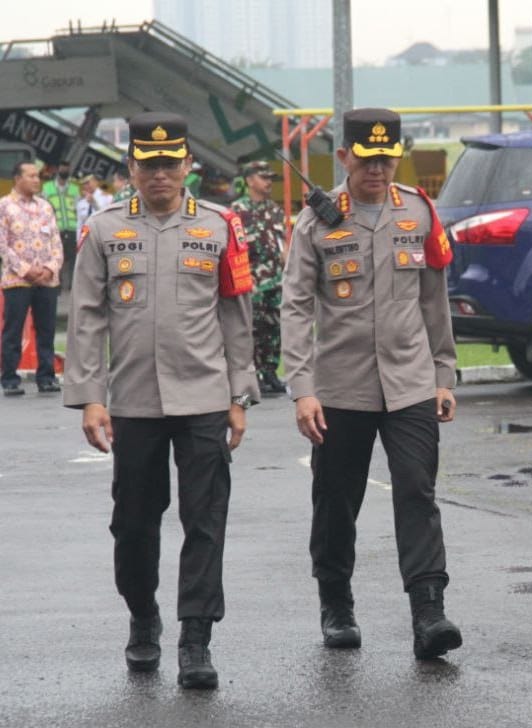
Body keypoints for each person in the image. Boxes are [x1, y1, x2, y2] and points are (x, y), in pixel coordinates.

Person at [63, 112, 259, 689]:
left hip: (204, 397)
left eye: (170, 164)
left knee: (206, 521)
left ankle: (196, 639)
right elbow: (86, 317)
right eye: (148, 165)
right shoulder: (103, 230)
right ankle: (142, 615)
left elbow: (236, 315)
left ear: (187, 165)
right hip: (133, 402)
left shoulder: (220, 226)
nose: (160, 175)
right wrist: (90, 397)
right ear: (131, 167)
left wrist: (239, 394)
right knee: (133, 523)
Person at [281, 107, 462, 660]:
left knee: (417, 491)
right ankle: (336, 603)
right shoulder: (316, 222)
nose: (378, 169)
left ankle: (429, 613)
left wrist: (444, 374)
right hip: (341, 387)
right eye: (366, 159)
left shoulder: (419, 212)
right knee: (336, 501)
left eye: (387, 158)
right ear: (344, 157)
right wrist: (303, 388)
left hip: (411, 382)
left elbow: (434, 300)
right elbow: (295, 307)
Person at [0, 161, 63, 396]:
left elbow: (56, 242)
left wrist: (49, 268)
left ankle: (46, 377)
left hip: (46, 280)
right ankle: (10, 378)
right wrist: (26, 270)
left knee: (46, 330)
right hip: (17, 279)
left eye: (38, 176)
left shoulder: (45, 207)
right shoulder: (4, 206)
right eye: (31, 176)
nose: (37, 180)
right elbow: (2, 245)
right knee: (13, 330)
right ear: (18, 179)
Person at [231, 160, 287, 395]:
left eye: (270, 178)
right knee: (252, 328)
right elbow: (234, 248)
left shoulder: (275, 210)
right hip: (251, 280)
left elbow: (281, 244)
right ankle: (253, 374)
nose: (268, 182)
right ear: (250, 180)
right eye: (264, 178)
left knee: (275, 326)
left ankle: (270, 371)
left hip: (275, 280)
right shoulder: (237, 210)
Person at [40, 159, 79, 290]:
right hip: (56, 228)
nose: (65, 171)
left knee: (72, 258)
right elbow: (43, 210)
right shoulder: (47, 187)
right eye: (62, 168)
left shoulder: (74, 188)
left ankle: (72, 285)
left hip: (72, 228)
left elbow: (78, 209)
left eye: (67, 169)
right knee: (57, 257)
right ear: (57, 170)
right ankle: (58, 284)